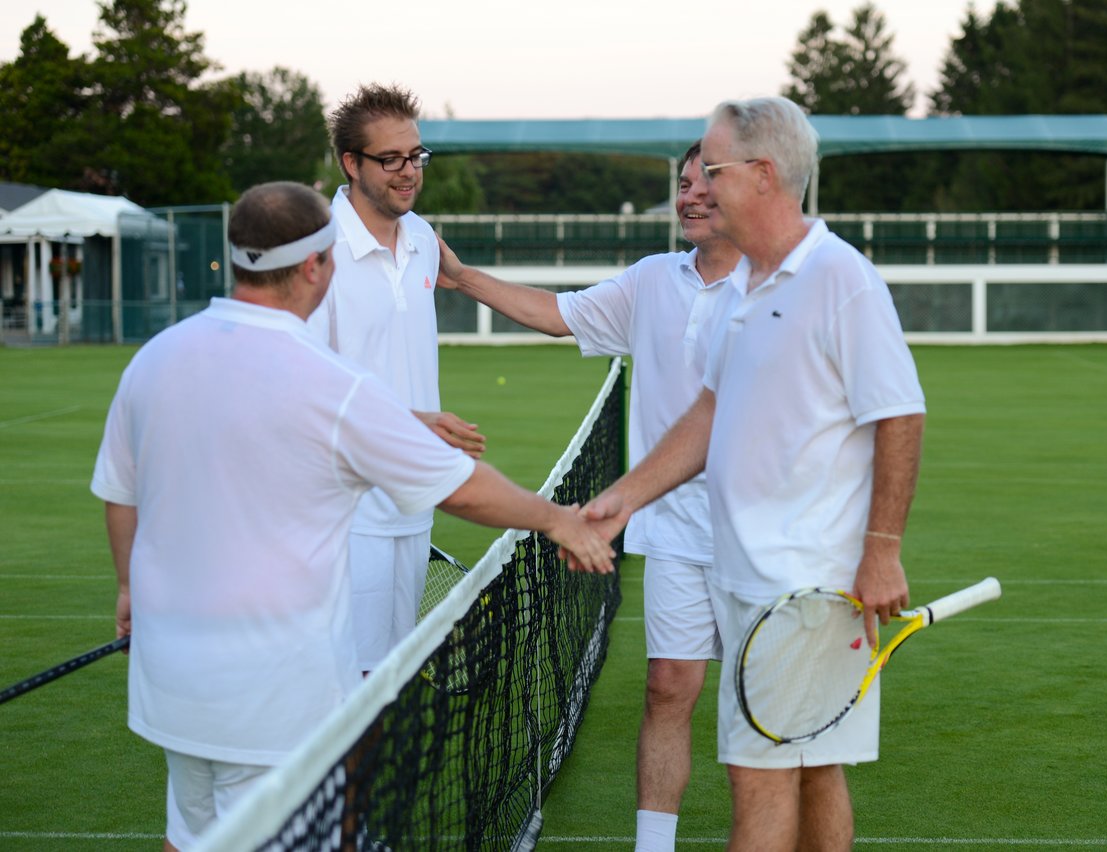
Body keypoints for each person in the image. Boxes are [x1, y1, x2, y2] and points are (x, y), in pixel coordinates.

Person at [90, 182, 615, 852]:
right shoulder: (332, 385)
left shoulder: (154, 359)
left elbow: (120, 495)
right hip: (277, 699)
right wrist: (556, 519)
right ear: (317, 265)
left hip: (172, 687)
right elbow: (460, 489)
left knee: (191, 837)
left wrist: (131, 589)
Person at [576, 97, 927, 850]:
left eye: (713, 166)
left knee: (761, 777)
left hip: (801, 589)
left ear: (762, 175)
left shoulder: (841, 279)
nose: (698, 182)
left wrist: (883, 548)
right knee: (812, 767)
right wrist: (620, 501)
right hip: (745, 575)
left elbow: (900, 414)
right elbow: (709, 412)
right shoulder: (746, 285)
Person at [435, 141, 741, 852]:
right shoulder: (652, 280)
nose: (689, 196)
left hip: (760, 536)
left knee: (756, 709)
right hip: (670, 534)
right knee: (668, 688)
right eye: (683, 184)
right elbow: (557, 313)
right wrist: (463, 277)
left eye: (705, 184)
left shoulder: (782, 286)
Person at [308, 83, 485, 674]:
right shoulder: (315, 255)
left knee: (392, 677)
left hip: (414, 500)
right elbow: (300, 390)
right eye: (391, 160)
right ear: (350, 163)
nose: (409, 172)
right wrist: (410, 423)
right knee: (344, 688)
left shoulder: (422, 240)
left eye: (417, 156)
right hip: (342, 511)